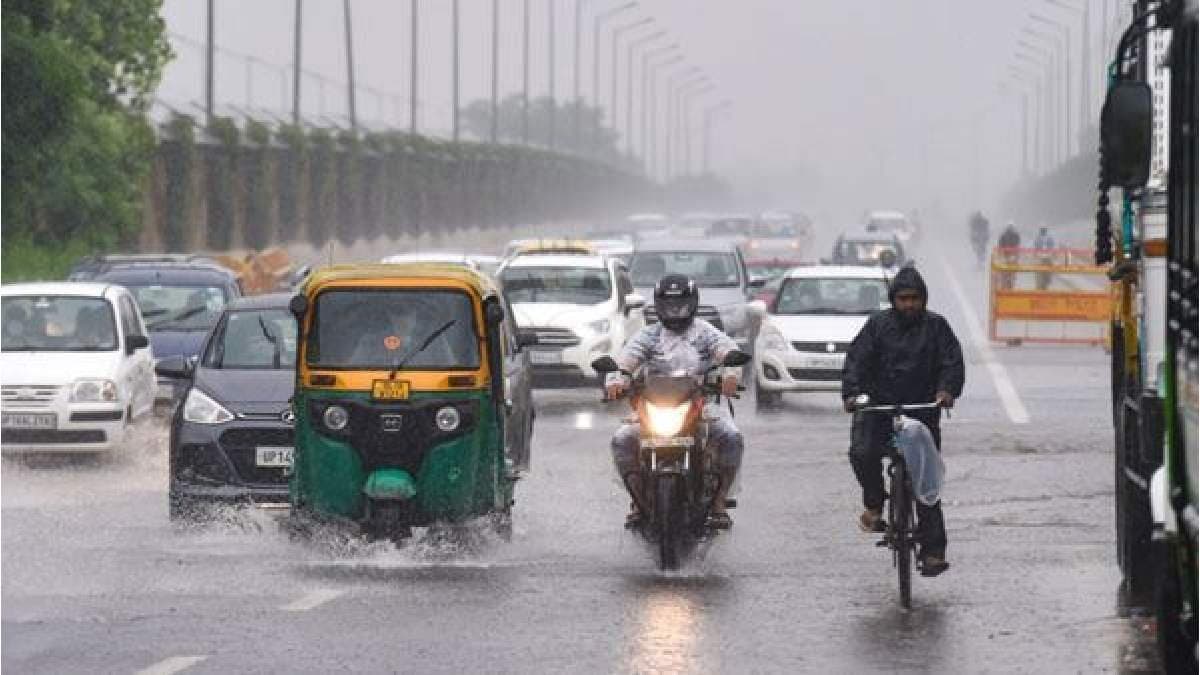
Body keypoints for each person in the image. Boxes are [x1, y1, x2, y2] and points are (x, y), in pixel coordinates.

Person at [841, 266, 965, 577]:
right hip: (880, 409)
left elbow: (952, 362)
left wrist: (946, 391)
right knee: (862, 452)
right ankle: (874, 503)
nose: (909, 304)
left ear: (923, 299)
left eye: (914, 299)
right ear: (893, 299)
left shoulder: (937, 327)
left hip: (921, 410)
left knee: (926, 480)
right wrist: (853, 394)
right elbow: (856, 360)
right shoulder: (877, 326)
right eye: (903, 299)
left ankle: (933, 551)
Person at [606, 273, 743, 529]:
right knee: (622, 439)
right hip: (654, 407)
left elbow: (727, 350)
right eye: (669, 306)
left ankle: (719, 501)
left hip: (703, 404)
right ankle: (638, 499)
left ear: (693, 304)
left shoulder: (705, 333)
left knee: (731, 437)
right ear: (658, 306)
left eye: (680, 305)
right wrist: (617, 380)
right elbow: (627, 360)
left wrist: (731, 374)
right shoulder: (648, 336)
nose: (675, 312)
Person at [997, 222, 1021, 289]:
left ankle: (1009, 283)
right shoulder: (1005, 235)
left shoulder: (1013, 235)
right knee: (1006, 271)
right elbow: (1000, 245)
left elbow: (1017, 245)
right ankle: (1006, 284)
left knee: (1009, 270)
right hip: (1007, 255)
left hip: (1011, 255)